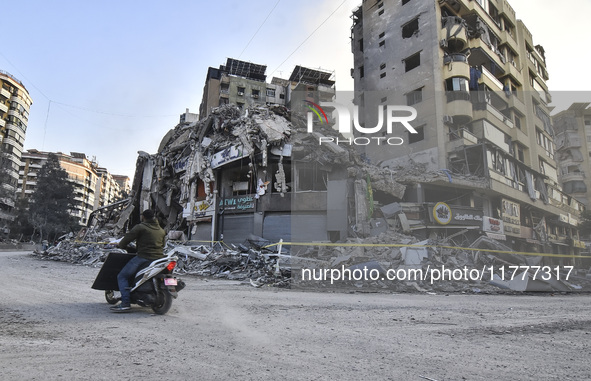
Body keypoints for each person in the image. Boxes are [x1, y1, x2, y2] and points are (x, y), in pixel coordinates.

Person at [110, 209, 166, 312]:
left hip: (144, 257)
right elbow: (163, 245)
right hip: (158, 258)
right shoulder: (161, 231)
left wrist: (121, 245)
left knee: (122, 276)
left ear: (143, 217)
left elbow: (127, 238)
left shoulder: (141, 227)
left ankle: (125, 303)